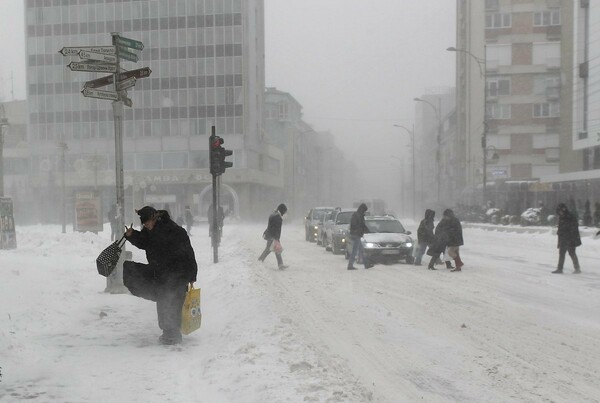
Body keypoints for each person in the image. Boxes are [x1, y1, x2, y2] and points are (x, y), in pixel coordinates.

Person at [123, 206, 198, 345]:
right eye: (144, 224)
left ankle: (173, 334)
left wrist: (192, 275)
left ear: (155, 218)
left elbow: (188, 253)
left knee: (173, 302)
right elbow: (144, 242)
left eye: (148, 223)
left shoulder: (174, 231)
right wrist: (132, 234)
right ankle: (168, 332)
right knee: (164, 301)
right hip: (161, 274)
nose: (146, 226)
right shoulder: (150, 231)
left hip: (178, 273)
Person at [552, 203, 581, 274]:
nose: (559, 213)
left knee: (572, 253)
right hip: (563, 238)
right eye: (559, 212)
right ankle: (560, 269)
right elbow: (561, 229)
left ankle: (577, 268)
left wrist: (571, 237)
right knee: (562, 253)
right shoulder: (562, 217)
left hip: (571, 239)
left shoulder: (570, 217)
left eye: (560, 211)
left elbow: (574, 228)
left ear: (563, 210)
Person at [258, 203, 288, 269]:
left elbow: (270, 226)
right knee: (268, 250)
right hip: (273, 236)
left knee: (277, 249)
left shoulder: (273, 214)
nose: (285, 213)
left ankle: (280, 265)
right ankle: (259, 261)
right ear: (282, 210)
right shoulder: (278, 217)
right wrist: (276, 238)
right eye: (285, 211)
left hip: (270, 235)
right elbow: (276, 228)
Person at [347, 203, 373, 270]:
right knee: (355, 251)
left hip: (357, 234)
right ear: (362, 209)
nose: (364, 212)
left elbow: (362, 225)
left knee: (361, 250)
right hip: (356, 235)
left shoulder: (359, 215)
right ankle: (350, 265)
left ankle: (366, 264)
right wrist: (361, 229)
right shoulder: (357, 216)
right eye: (364, 210)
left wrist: (367, 230)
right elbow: (356, 225)